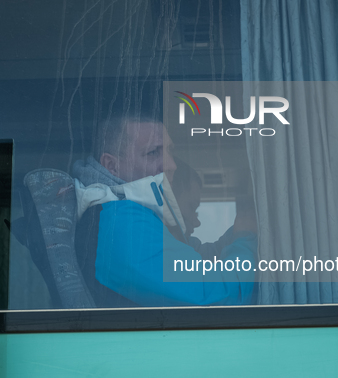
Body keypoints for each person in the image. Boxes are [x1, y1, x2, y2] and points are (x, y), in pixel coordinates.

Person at [72, 113, 257, 307]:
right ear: (112, 166)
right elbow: (220, 296)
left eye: (169, 151)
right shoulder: (121, 223)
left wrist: (236, 234)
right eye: (153, 152)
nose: (171, 164)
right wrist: (246, 236)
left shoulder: (126, 216)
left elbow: (195, 260)